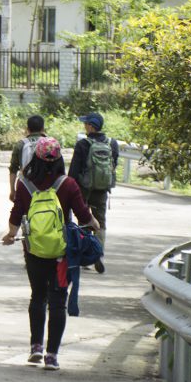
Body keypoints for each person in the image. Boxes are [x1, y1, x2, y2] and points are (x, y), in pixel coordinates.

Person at [1, 137, 100, 371]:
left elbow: (17, 213)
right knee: (57, 301)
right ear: (59, 159)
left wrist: (11, 234)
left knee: (37, 296)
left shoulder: (25, 183)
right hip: (61, 252)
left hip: (34, 248)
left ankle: (35, 347)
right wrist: (95, 225)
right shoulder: (68, 184)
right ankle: (52, 355)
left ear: (35, 156)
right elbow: (84, 215)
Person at [68, 112, 119, 269]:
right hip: (102, 189)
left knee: (84, 221)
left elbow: (74, 171)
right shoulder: (112, 143)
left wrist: (70, 189)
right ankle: (99, 254)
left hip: (83, 189)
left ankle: (86, 257)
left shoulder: (83, 144)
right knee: (100, 222)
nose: (84, 126)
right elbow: (113, 165)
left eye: (86, 124)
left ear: (91, 126)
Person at [9, 115, 46, 203]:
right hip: (45, 186)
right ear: (43, 128)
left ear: (27, 129)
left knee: (22, 212)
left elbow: (13, 169)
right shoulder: (50, 143)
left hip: (24, 185)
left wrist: (12, 190)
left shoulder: (20, 145)